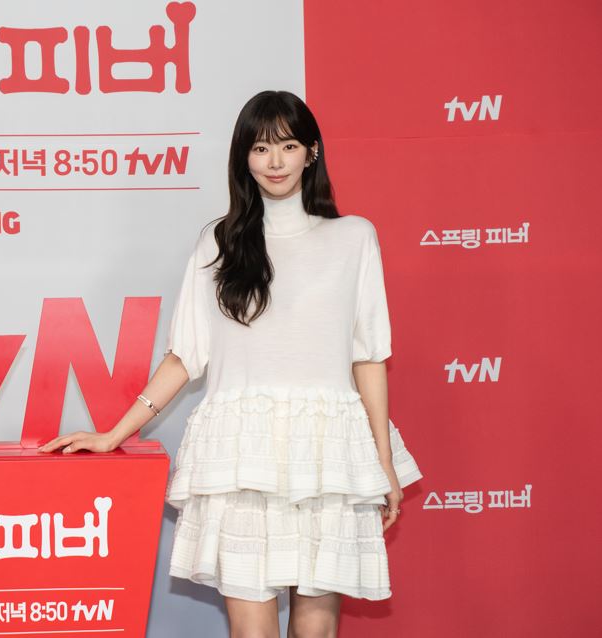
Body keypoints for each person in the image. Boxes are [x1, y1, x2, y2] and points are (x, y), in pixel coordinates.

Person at [39, 90, 423, 638]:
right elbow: (185, 355)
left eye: (288, 146)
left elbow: (368, 356)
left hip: (327, 452)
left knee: (316, 630)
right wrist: (113, 434)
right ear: (244, 156)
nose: (275, 161)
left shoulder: (353, 238)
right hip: (240, 453)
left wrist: (382, 460)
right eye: (261, 148)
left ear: (311, 152)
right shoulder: (218, 242)